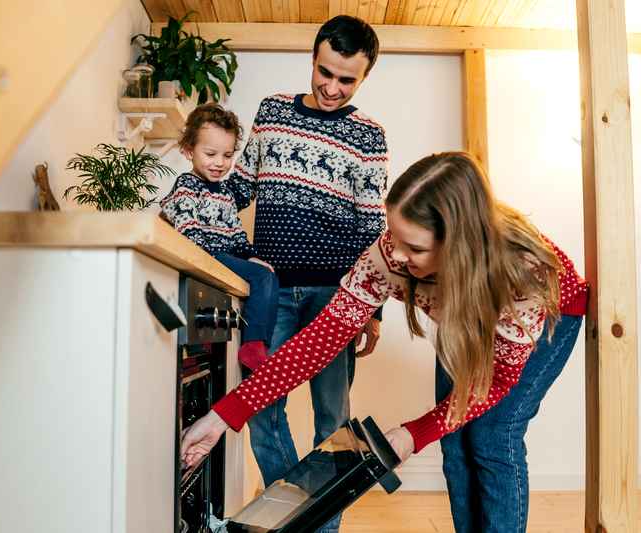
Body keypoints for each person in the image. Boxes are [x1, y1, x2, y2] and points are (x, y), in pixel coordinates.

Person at [181, 152, 589, 533]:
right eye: (394, 235)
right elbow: (320, 340)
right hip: (468, 316)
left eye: (415, 248)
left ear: (459, 246)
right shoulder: (388, 255)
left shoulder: (524, 276)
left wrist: (412, 434)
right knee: (454, 438)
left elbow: (494, 384)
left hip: (549, 316)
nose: (397, 255)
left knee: (492, 435)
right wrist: (224, 415)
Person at [225, 16, 388, 533]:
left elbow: (373, 229)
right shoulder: (272, 111)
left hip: (335, 297)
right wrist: (189, 208)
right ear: (313, 58)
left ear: (363, 78)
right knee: (262, 409)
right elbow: (238, 189)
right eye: (326, 72)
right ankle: (296, 514)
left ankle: (319, 527)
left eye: (348, 80)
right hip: (269, 296)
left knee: (332, 422)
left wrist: (372, 310)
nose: (333, 87)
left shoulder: (370, 136)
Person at [160, 103, 279, 370]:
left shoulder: (225, 192)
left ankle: (257, 344)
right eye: (210, 153)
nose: (219, 163)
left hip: (221, 256)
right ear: (189, 150)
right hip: (207, 256)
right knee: (263, 277)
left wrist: (251, 256)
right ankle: (254, 346)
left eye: (227, 155)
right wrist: (209, 259)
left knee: (267, 272)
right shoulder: (186, 185)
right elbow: (187, 227)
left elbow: (235, 231)